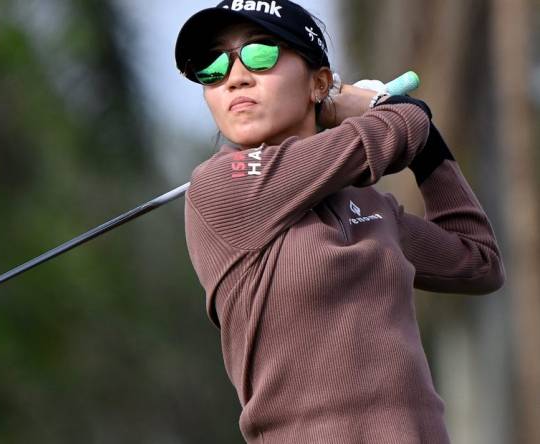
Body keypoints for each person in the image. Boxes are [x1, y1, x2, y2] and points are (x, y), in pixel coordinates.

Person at [174, 1, 505, 442]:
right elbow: (402, 121)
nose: (235, 77)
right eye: (212, 66)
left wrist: (429, 150)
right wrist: (382, 107)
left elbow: (479, 264)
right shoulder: (221, 185)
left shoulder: (371, 208)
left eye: (260, 53)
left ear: (319, 83)